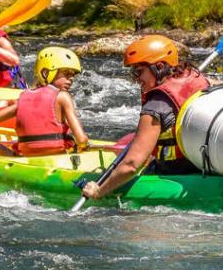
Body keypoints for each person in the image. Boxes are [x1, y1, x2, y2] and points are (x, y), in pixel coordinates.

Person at [82, 35, 212, 199]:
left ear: (159, 66)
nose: (134, 79)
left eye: (138, 72)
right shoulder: (198, 78)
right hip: (204, 166)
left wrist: (100, 191)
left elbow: (131, 165)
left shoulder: (155, 106)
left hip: (174, 173)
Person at [0, 47, 89, 158]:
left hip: (25, 159)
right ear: (45, 73)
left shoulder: (23, 97)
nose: (71, 79)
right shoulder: (63, 97)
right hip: (55, 158)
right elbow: (82, 140)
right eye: (66, 74)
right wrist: (83, 146)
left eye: (73, 75)